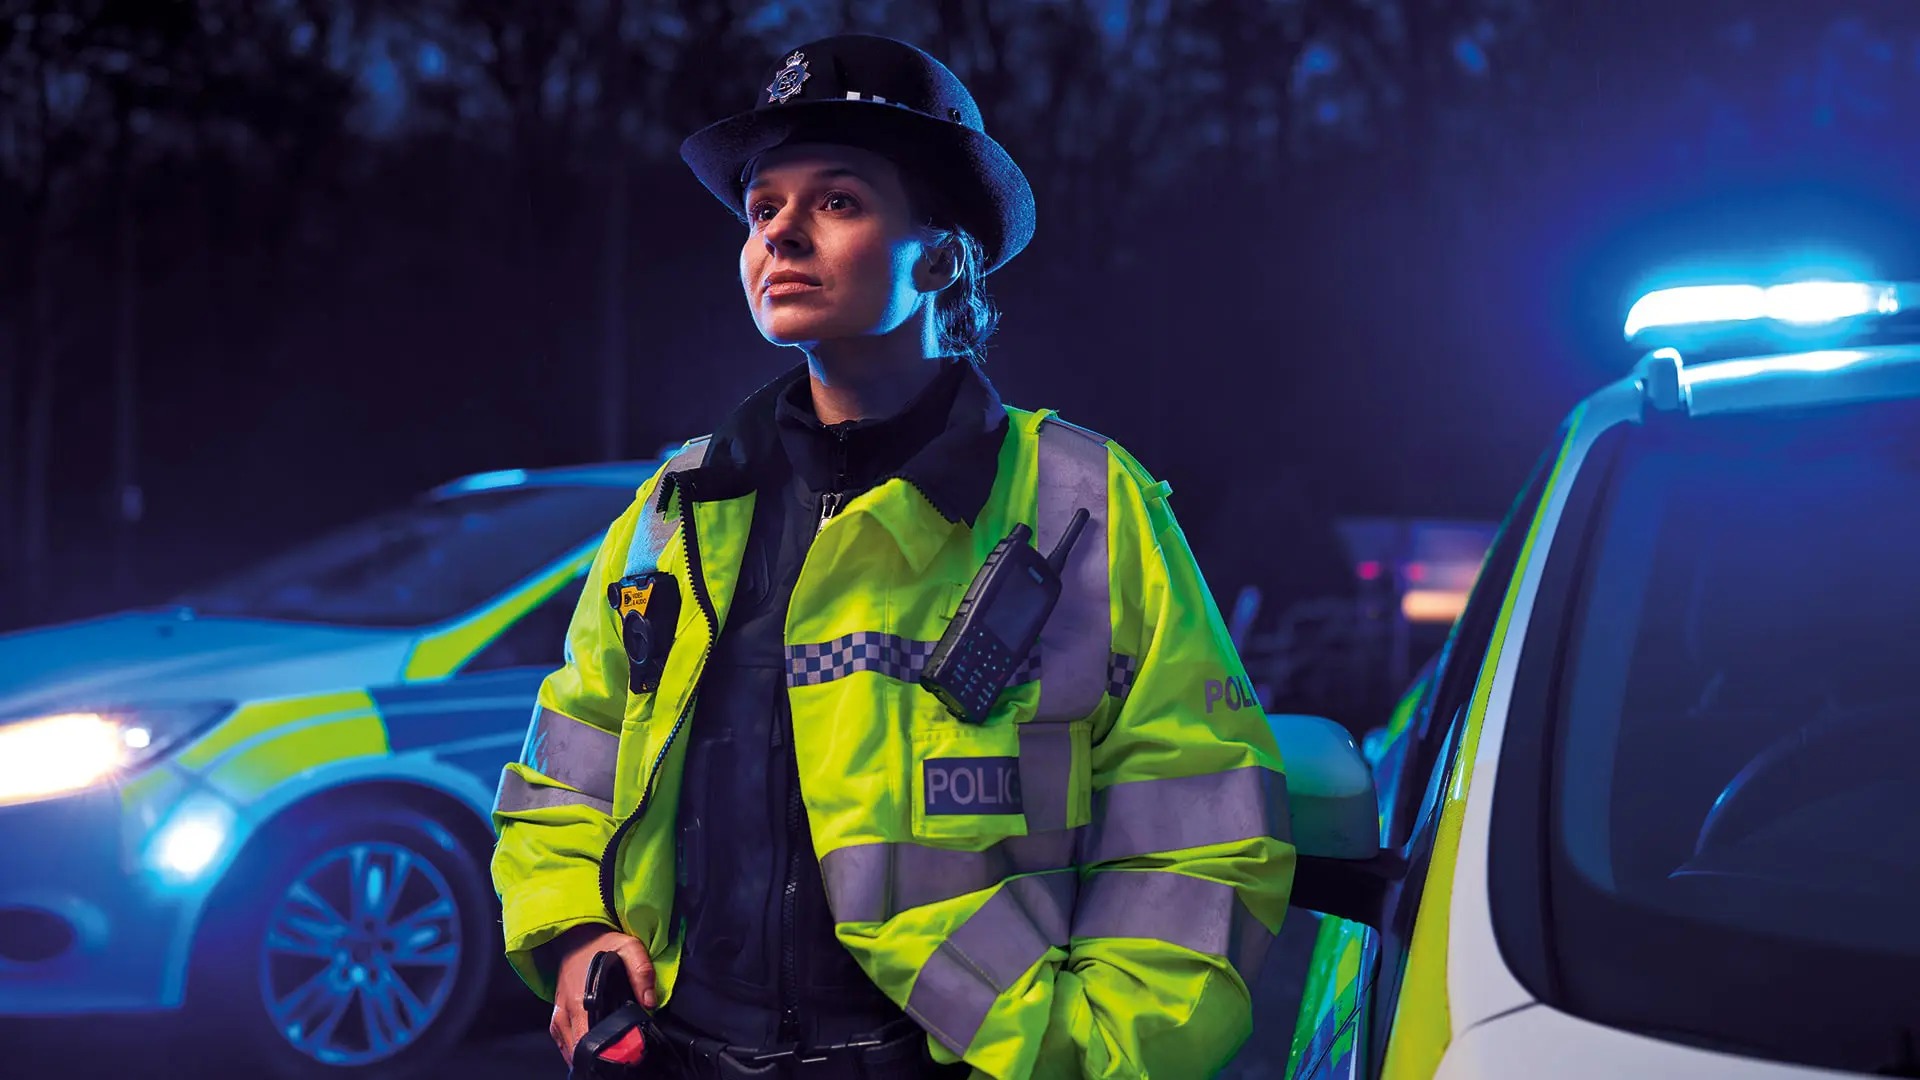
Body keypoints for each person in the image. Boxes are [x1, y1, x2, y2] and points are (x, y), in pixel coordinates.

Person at [490, 34, 1295, 1080]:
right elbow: (575, 766)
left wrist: (1085, 1053)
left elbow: (1200, 828)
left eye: (835, 202)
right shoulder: (682, 508)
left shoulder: (1083, 508)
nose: (781, 234)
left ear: (942, 251)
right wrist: (573, 933)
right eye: (762, 208)